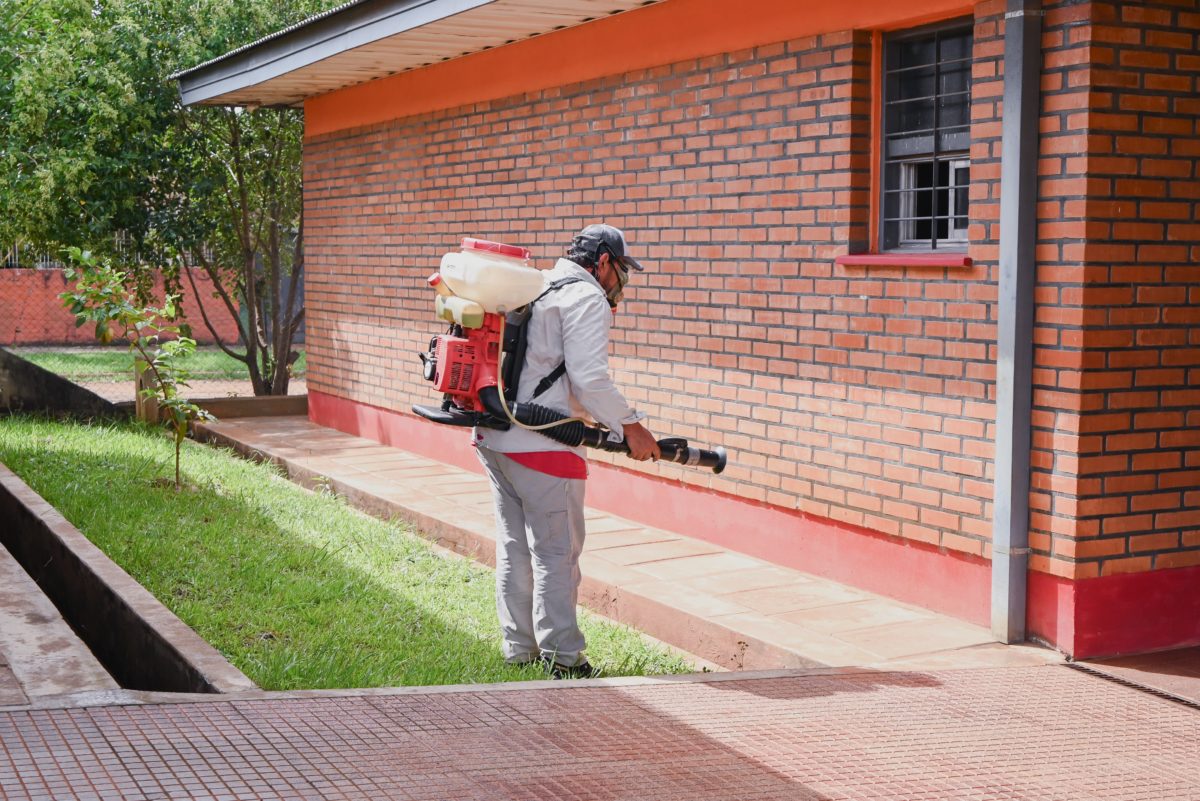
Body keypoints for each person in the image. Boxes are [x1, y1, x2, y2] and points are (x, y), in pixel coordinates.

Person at [473, 223, 660, 678]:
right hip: (545, 445)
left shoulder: (535, 284)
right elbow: (589, 378)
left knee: (516, 548)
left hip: (495, 436)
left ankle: (520, 650)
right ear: (601, 262)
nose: (620, 281)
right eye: (619, 270)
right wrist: (632, 427)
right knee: (556, 554)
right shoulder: (587, 297)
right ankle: (564, 658)